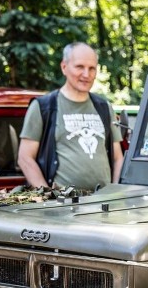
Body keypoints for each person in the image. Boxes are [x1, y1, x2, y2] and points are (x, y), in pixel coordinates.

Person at [18, 42, 124, 190]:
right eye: (80, 67)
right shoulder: (44, 107)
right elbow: (25, 158)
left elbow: (118, 157)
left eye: (92, 68)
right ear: (64, 67)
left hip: (101, 204)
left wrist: (114, 191)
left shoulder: (104, 107)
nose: (86, 74)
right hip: (62, 206)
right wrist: (48, 197)